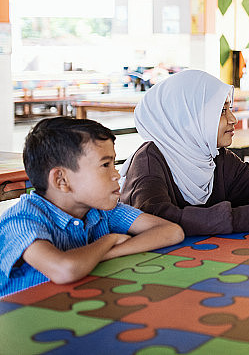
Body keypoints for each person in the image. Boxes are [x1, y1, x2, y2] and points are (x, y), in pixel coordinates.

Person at [0, 117, 184, 297]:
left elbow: (171, 231)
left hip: (73, 302)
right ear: (61, 180)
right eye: (105, 165)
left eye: (114, 163)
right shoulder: (21, 220)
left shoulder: (102, 210)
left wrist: (103, 255)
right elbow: (65, 270)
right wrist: (108, 241)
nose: (116, 175)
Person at [120, 69, 249, 236]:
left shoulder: (217, 157)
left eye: (230, 109)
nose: (233, 119)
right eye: (221, 111)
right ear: (187, 117)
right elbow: (155, 219)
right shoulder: (149, 161)